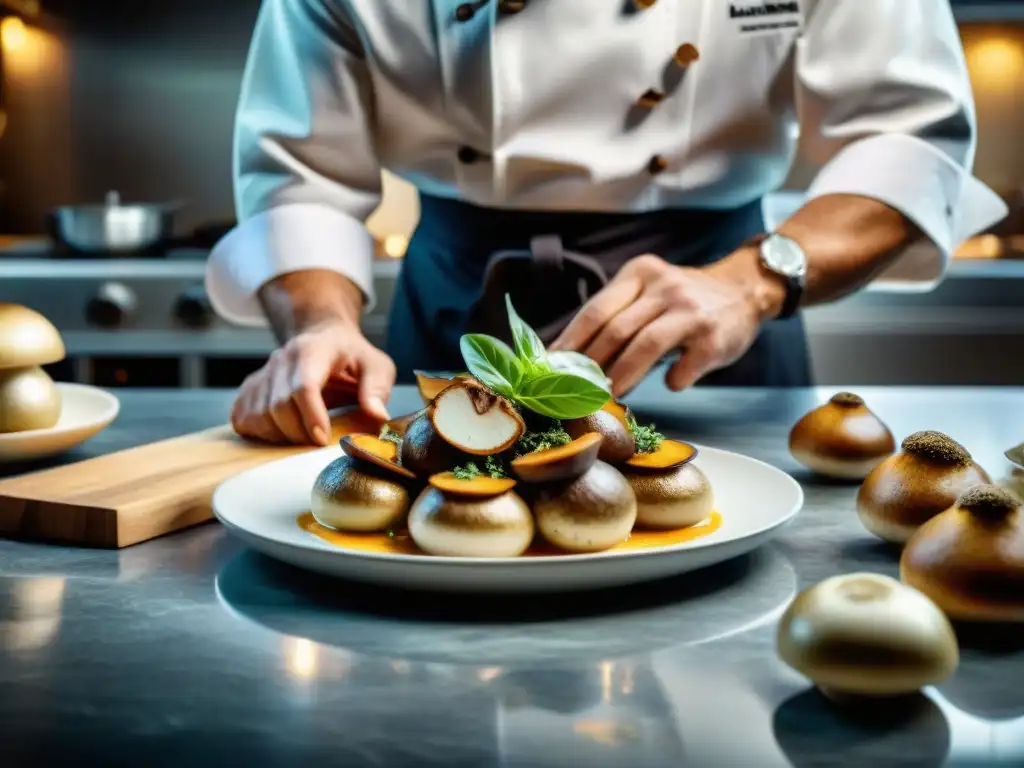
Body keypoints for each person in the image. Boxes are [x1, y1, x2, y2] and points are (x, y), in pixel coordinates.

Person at [207, 0, 1006, 446]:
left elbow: (909, 138)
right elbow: (298, 176)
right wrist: (319, 325)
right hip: (457, 313)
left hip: (718, 322)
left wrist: (756, 279)